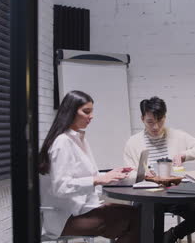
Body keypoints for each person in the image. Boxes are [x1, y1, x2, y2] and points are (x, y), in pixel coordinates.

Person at [39, 90, 139, 243]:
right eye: (86, 112)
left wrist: (109, 175)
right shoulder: (62, 142)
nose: (91, 116)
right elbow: (61, 187)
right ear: (71, 112)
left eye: (91, 112)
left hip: (83, 209)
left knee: (139, 215)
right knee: (137, 219)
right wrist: (98, 180)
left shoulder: (79, 139)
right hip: (67, 218)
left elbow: (86, 176)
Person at [123, 96, 195, 243]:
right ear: (142, 119)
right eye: (150, 122)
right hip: (146, 195)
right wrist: (142, 174)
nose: (156, 127)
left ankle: (170, 236)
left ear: (165, 117)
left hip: (174, 192)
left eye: (160, 120)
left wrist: (184, 155)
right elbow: (128, 173)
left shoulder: (177, 136)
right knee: (138, 222)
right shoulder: (133, 143)